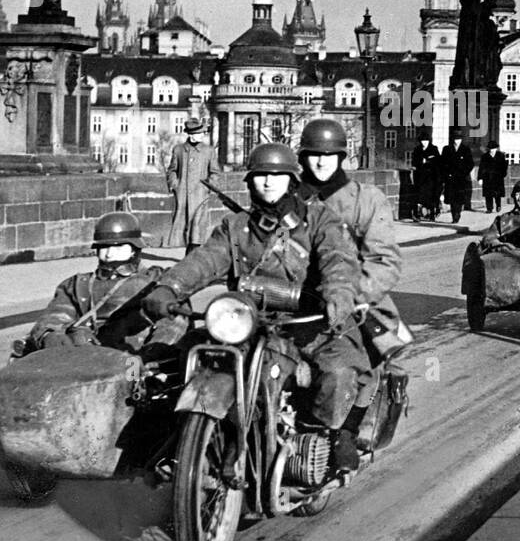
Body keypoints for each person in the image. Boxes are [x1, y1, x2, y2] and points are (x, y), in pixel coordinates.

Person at [142, 143, 364, 472]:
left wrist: (338, 292)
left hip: (307, 324)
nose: (269, 182)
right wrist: (169, 286)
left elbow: (338, 259)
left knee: (338, 370)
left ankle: (329, 434)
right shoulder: (236, 226)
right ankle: (179, 441)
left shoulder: (319, 220)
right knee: (179, 356)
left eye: (278, 175)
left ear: (292, 180)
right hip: (244, 321)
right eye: (260, 175)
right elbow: (205, 260)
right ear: (250, 181)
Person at [296, 118, 408, 469]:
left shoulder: (366, 200)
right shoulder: (289, 197)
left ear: (341, 156)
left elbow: (385, 260)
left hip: (355, 300)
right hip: (294, 297)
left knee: (361, 358)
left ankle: (344, 430)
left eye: (329, 155)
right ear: (302, 156)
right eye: (314, 154)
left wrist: (353, 294)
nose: (321, 161)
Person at [25, 212, 170, 353]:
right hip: (81, 356)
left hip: (130, 358)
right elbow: (57, 314)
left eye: (118, 246)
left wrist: (149, 356)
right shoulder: (78, 284)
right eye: (104, 247)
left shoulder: (155, 282)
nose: (109, 253)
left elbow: (170, 326)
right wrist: (49, 335)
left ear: (134, 249)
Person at [165, 117, 222, 254]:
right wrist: (175, 185)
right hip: (183, 195)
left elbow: (214, 172)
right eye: (199, 133)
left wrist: (208, 187)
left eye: (203, 132)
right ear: (191, 134)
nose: (202, 135)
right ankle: (188, 255)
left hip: (200, 196)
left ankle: (192, 256)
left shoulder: (208, 151)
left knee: (197, 229)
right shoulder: (179, 150)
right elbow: (172, 170)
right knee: (183, 227)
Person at [440, 129, 475, 222]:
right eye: (455, 139)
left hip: (461, 179)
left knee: (459, 198)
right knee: (451, 198)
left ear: (461, 140)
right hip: (450, 178)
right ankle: (454, 215)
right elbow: (442, 163)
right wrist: (446, 174)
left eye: (458, 139)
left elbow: (470, 164)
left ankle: (457, 213)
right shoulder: (447, 149)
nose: (456, 141)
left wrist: (464, 173)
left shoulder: (465, 150)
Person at [410, 130, 441, 221]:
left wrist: (427, 162)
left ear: (429, 141)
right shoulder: (417, 149)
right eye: (422, 141)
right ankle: (417, 214)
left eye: (426, 141)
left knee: (431, 197)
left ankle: (432, 214)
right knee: (419, 197)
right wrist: (419, 164)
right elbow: (414, 162)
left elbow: (438, 162)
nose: (424, 143)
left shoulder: (434, 149)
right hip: (419, 177)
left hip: (431, 178)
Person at [476, 140, 508, 213]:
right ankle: (489, 208)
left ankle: (498, 205)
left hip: (498, 178)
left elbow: (504, 166)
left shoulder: (501, 155)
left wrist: (503, 174)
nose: (492, 150)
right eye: (491, 148)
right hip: (487, 178)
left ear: (496, 148)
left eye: (493, 148)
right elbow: (481, 168)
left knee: (497, 194)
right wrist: (480, 178)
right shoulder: (485, 156)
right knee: (488, 194)